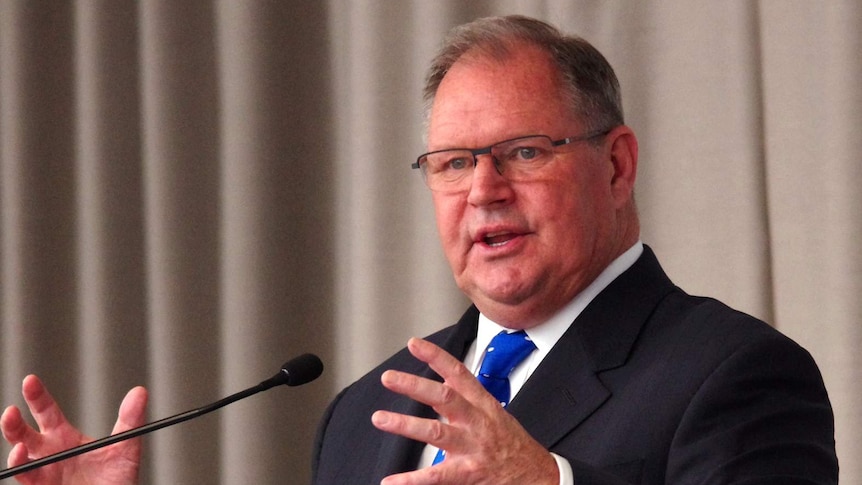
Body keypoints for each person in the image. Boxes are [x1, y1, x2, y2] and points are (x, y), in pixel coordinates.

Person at [2, 15, 838, 485]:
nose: (484, 191)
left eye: (524, 152)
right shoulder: (362, 417)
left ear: (616, 164)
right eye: (452, 163)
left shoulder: (737, 375)